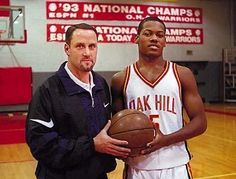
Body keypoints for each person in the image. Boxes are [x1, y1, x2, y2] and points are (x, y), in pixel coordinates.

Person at [25, 23, 130, 179]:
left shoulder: (100, 84)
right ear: (67, 49)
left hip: (98, 174)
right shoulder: (47, 91)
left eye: (92, 46)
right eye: (80, 46)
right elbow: (41, 144)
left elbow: (105, 130)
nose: (87, 53)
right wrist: (92, 145)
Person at [111, 16, 207, 179]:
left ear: (165, 41)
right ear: (136, 38)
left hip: (176, 165)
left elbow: (200, 123)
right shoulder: (121, 79)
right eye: (148, 34)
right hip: (137, 167)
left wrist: (165, 140)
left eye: (160, 35)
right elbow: (116, 128)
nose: (154, 38)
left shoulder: (182, 74)